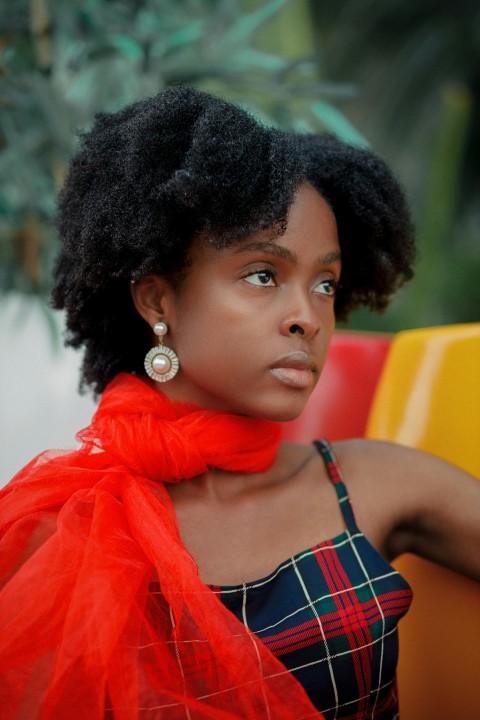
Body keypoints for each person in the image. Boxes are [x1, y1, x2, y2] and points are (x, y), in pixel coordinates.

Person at [0, 86, 479, 720]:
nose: (307, 316)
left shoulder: (373, 484)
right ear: (158, 301)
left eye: (326, 284)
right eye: (263, 274)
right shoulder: (55, 530)